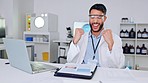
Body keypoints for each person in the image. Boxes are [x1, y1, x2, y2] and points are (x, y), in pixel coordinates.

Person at [67, 3, 125, 68]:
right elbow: (70, 61)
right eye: (92, 17)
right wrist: (74, 42)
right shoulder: (81, 37)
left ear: (104, 18)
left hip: (102, 74)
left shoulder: (115, 38)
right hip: (82, 72)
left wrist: (111, 45)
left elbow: (118, 65)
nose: (95, 21)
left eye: (99, 17)